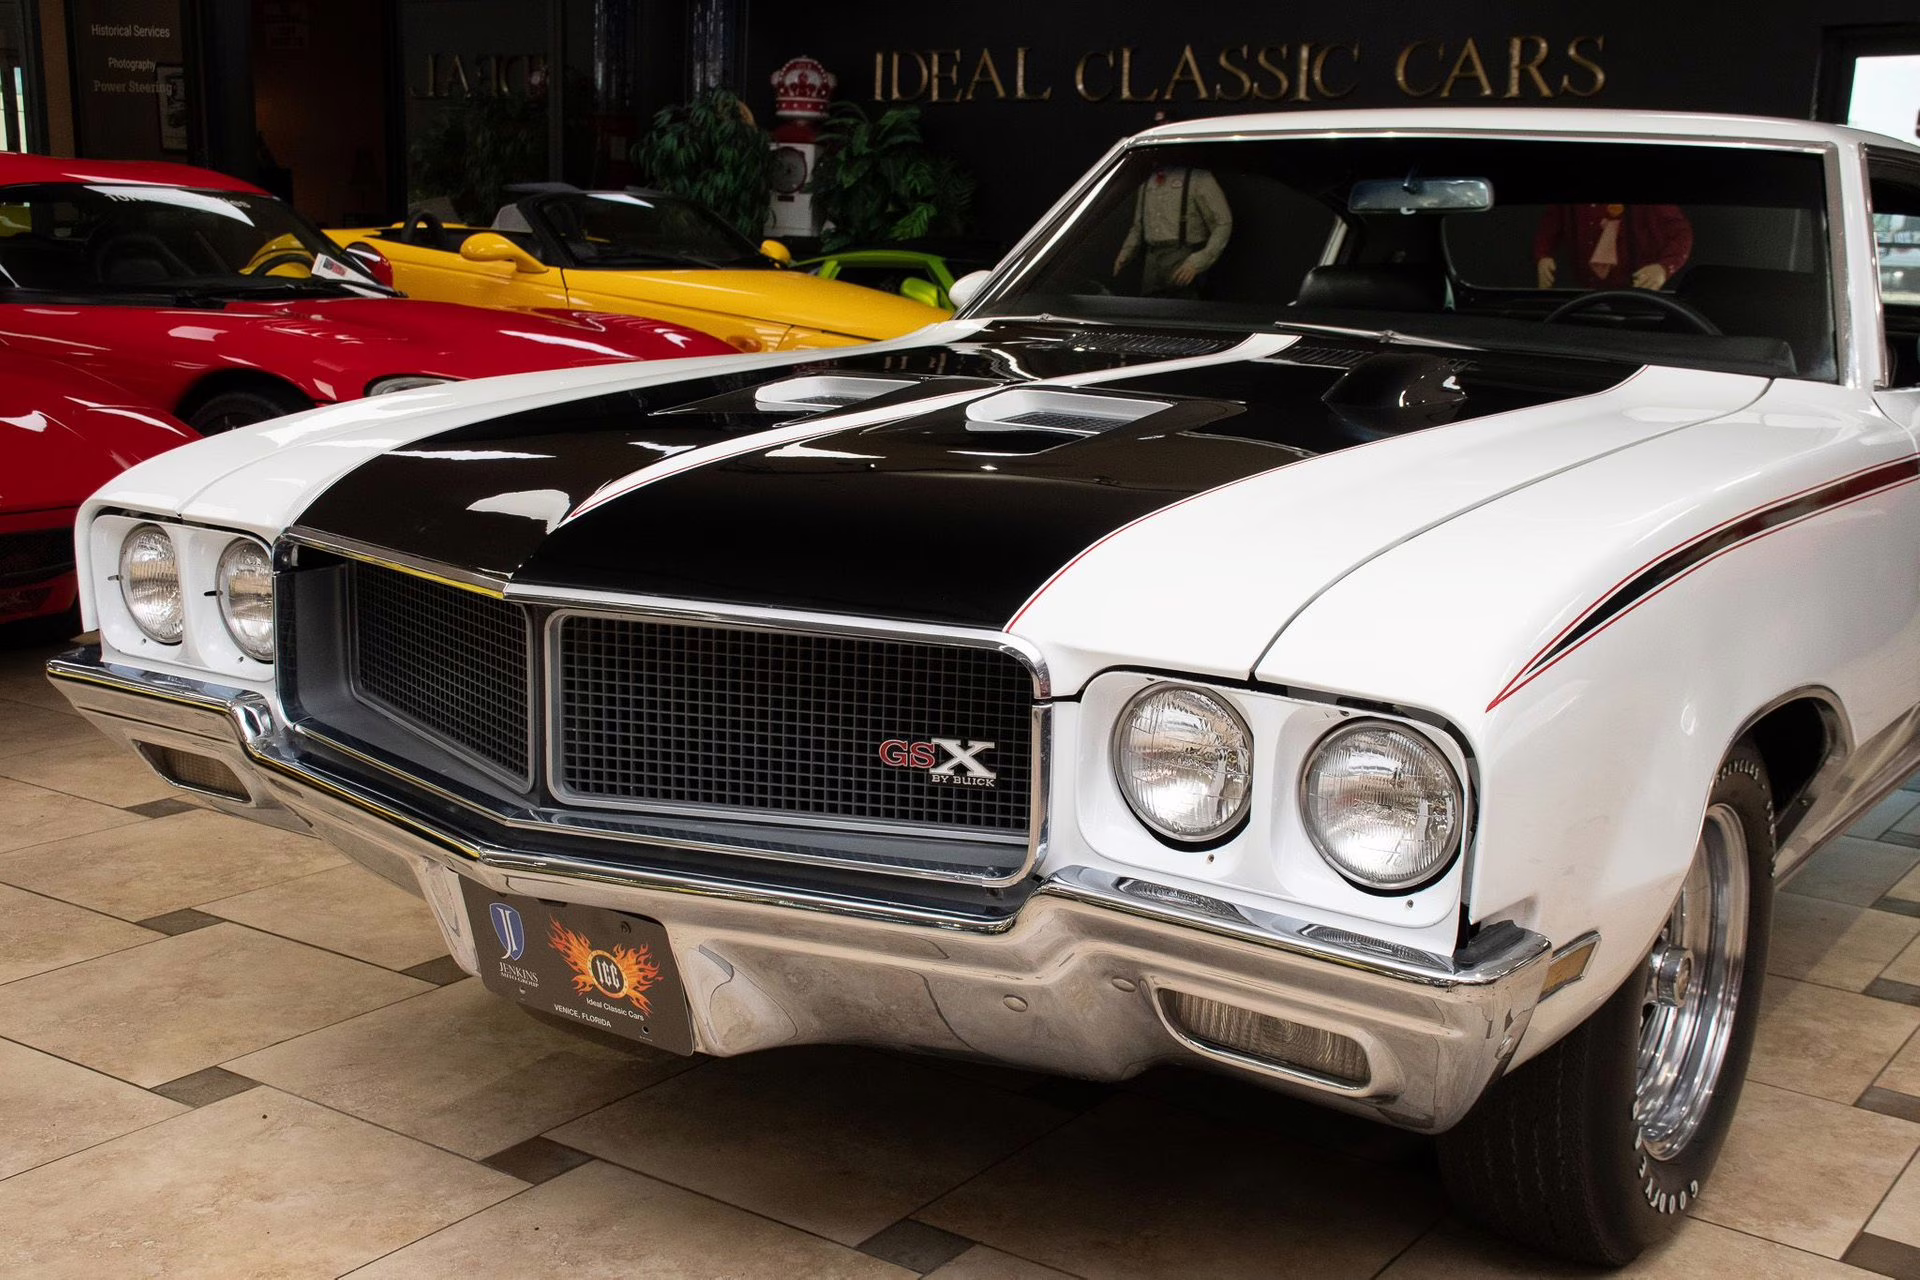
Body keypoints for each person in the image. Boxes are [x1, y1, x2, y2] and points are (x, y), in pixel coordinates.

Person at [1113, 163, 1232, 298]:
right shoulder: (1148, 180)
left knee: (1182, 308)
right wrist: (1127, 251)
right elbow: (1139, 225)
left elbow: (1223, 222)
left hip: (1182, 256)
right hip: (1152, 260)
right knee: (1149, 307)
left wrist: (1199, 261)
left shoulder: (1198, 177)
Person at [1534, 203, 1692, 291]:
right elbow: (1550, 225)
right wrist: (1543, 256)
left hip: (1635, 291)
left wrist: (1663, 268)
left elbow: (1680, 232)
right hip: (1583, 291)